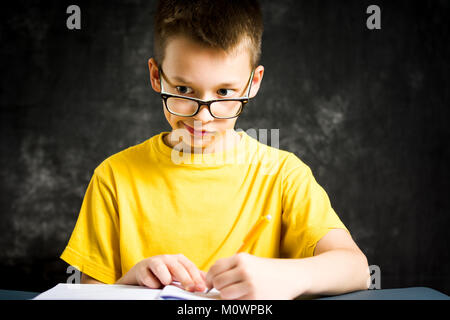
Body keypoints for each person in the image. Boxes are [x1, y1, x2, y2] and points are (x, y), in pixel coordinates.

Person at [60, 0, 369, 299]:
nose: (202, 116)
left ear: (253, 83)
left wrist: (286, 276)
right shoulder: (113, 177)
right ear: (156, 76)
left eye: (224, 92)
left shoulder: (284, 175)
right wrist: (131, 281)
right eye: (183, 90)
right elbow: (89, 294)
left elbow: (356, 269)